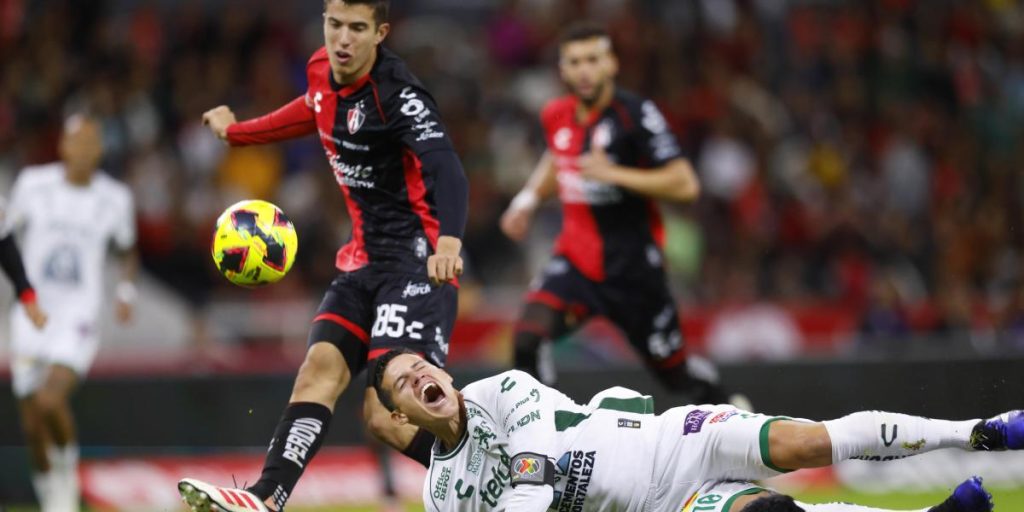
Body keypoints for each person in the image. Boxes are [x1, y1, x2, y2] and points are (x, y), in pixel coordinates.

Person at [178, 1, 468, 511]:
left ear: (380, 33)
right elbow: (312, 109)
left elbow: (445, 166)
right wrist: (237, 133)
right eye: (335, 25)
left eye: (358, 28)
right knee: (318, 370)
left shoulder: (400, 96)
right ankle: (267, 499)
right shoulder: (320, 70)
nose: (344, 39)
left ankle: (496, 471)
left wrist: (449, 241)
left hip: (416, 265)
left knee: (385, 417)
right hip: (361, 262)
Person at [369, 348, 1020, 512]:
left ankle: (978, 432)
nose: (420, 374)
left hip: (674, 439)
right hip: (663, 503)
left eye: (421, 364)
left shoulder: (500, 391)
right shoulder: (443, 496)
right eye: (404, 382)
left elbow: (533, 469)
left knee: (802, 442)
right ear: (403, 415)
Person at [499, 22, 728, 403]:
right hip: (576, 262)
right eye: (574, 62)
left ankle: (730, 413)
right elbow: (558, 155)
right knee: (527, 339)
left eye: (593, 59)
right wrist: (526, 200)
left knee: (676, 377)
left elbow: (685, 184)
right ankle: (546, 440)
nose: (584, 70)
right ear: (562, 69)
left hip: (634, 271)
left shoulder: (635, 115)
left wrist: (614, 174)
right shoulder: (556, 114)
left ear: (612, 64)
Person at [7, 113, 138, 512]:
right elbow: (6, 235)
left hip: (78, 316)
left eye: (91, 143)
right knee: (32, 424)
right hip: (32, 315)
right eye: (76, 142)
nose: (83, 150)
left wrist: (126, 291)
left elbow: (127, 248)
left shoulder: (115, 198)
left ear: (100, 150)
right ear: (62, 146)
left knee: (50, 401)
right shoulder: (32, 184)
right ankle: (54, 499)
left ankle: (67, 475)